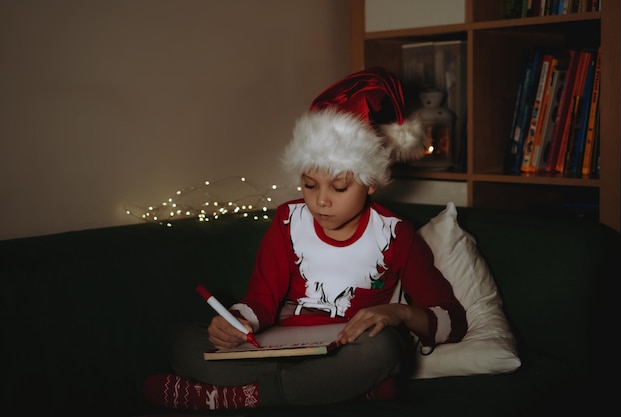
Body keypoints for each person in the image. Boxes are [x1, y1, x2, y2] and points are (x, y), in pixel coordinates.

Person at [143, 67, 468, 411]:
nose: (321, 201)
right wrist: (236, 323)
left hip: (347, 351)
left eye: (339, 188)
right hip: (280, 349)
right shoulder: (288, 219)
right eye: (309, 185)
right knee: (182, 339)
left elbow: (451, 322)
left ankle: (241, 398)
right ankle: (343, 388)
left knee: (385, 350)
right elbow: (261, 299)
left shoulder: (395, 233)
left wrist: (397, 313)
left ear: (371, 182)